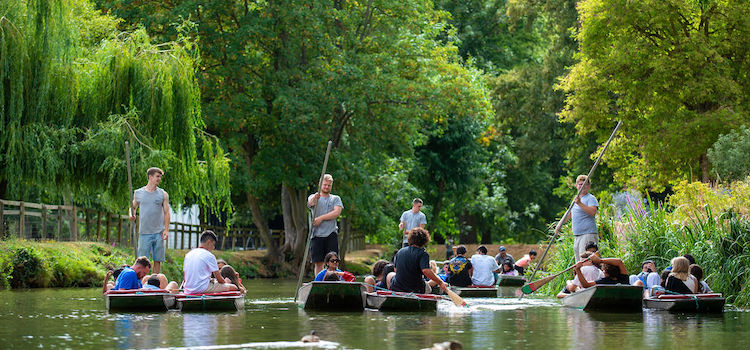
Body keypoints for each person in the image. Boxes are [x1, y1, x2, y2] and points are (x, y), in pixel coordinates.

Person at [130, 167, 170, 274]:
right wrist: (131, 215)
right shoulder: (138, 193)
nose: (159, 179)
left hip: (159, 232)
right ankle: (141, 282)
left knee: (158, 260)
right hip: (144, 232)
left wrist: (166, 230)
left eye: (160, 177)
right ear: (150, 177)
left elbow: (166, 213)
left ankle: (154, 281)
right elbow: (132, 207)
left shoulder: (163, 194)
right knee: (142, 260)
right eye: (157, 176)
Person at [386, 228, 448, 294]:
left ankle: (392, 294)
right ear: (424, 241)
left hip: (397, 287)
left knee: (389, 275)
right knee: (431, 286)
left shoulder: (400, 251)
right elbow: (426, 270)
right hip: (416, 289)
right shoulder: (423, 254)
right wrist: (440, 282)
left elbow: (396, 270)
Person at [555, 175, 599, 262]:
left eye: (585, 184)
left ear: (588, 186)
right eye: (580, 184)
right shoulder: (576, 199)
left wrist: (579, 203)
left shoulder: (590, 198)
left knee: (586, 262)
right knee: (578, 262)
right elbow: (569, 214)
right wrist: (559, 225)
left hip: (588, 234)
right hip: (577, 235)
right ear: (576, 186)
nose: (582, 186)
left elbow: (593, 212)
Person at [307, 174, 344, 276]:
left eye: (329, 185)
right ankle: (319, 283)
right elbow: (310, 203)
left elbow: (336, 212)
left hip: (331, 233)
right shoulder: (313, 197)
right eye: (325, 185)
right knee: (318, 263)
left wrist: (321, 218)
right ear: (320, 184)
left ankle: (333, 281)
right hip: (316, 234)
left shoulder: (335, 198)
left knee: (333, 262)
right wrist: (315, 197)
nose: (327, 187)